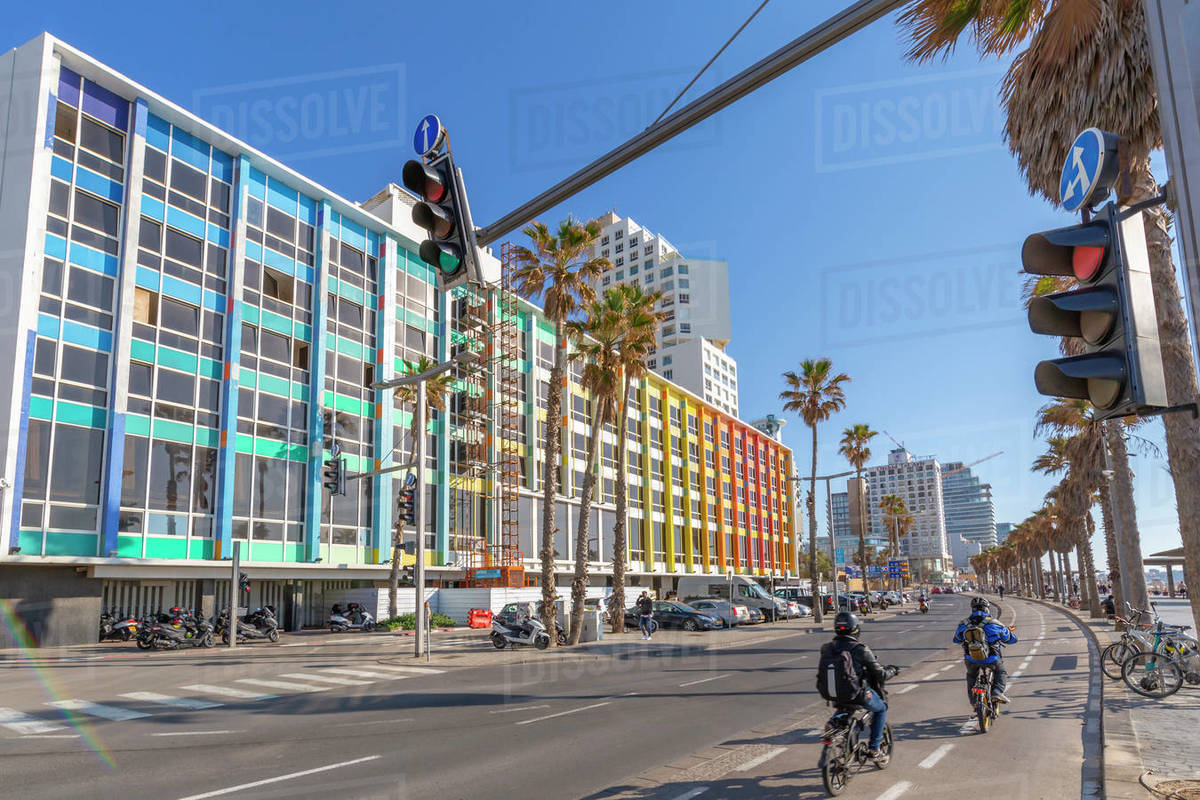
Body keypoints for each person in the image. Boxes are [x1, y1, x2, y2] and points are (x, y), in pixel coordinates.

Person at [817, 611, 898, 759]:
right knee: (880, 709)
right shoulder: (860, 649)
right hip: (857, 694)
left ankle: (833, 724)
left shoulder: (826, 648)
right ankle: (874, 749)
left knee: (845, 709)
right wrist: (893, 670)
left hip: (833, 694)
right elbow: (880, 674)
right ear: (855, 629)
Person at [953, 597, 1017, 705]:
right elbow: (1010, 639)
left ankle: (974, 702)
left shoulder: (964, 624)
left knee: (971, 676)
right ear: (987, 609)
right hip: (992, 658)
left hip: (971, 659)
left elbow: (956, 640)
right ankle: (997, 692)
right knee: (1001, 672)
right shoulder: (995, 623)